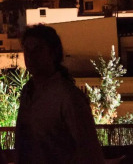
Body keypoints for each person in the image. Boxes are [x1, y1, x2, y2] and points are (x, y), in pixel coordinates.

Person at [15, 25, 104, 164]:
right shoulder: (28, 91)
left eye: (38, 50)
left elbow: (88, 148)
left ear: (53, 53)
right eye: (27, 50)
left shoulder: (68, 96)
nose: (31, 56)